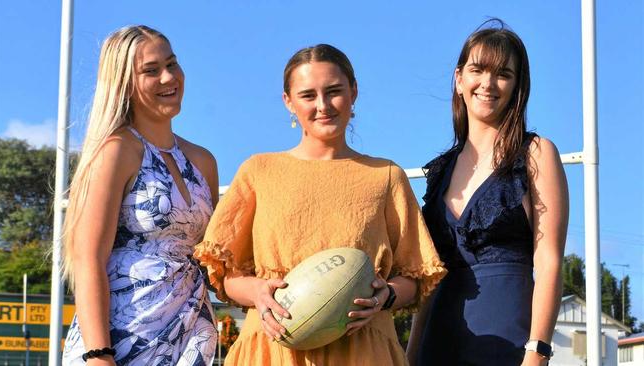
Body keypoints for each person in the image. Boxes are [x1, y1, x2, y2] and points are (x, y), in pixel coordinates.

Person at [194, 44, 446, 366]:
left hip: (362, 350)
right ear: (288, 102)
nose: (323, 105)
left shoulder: (387, 176)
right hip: (272, 349)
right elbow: (227, 276)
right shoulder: (258, 171)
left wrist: (387, 295)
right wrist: (258, 291)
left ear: (353, 92)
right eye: (308, 95)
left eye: (334, 91)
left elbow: (415, 274)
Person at [406, 20, 569, 366]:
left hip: (508, 345)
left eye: (503, 74)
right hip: (436, 343)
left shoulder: (537, 153)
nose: (488, 83)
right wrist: (409, 355)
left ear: (516, 85)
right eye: (477, 69)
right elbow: (429, 278)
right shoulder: (439, 171)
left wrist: (537, 352)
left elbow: (549, 260)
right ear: (459, 78)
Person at [61, 25, 219, 365]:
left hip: (190, 338)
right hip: (122, 342)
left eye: (172, 64)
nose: (168, 77)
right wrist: (99, 355)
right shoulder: (116, 151)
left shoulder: (203, 161)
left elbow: (216, 257)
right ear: (125, 83)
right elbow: (88, 258)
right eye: (151, 70)